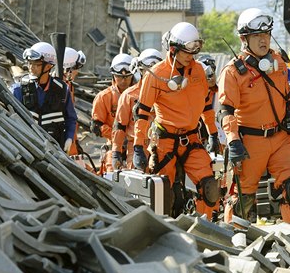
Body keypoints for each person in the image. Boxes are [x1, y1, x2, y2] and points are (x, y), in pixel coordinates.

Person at [217, 8, 290, 226]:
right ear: (244, 39)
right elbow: (225, 110)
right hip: (250, 141)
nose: (263, 40)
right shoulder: (232, 72)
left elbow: (286, 96)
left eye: (266, 34)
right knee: (243, 197)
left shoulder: (278, 61)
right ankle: (234, 238)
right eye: (257, 36)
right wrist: (233, 141)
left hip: (280, 137)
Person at [132, 22, 219, 219]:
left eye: (195, 51)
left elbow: (206, 105)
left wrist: (212, 132)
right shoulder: (156, 75)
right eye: (187, 52)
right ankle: (164, 232)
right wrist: (138, 147)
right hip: (165, 141)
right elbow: (143, 113)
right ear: (173, 50)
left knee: (210, 187)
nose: (192, 56)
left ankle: (203, 229)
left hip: (191, 139)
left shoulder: (198, 72)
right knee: (163, 195)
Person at [12, 42, 77, 152]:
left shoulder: (62, 90)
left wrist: (69, 138)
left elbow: (71, 118)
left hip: (55, 151)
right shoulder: (18, 90)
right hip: (27, 150)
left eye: (36, 64)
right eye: (29, 63)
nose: (31, 68)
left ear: (48, 66)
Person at [111, 49, 163, 169]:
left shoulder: (168, 94)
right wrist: (116, 152)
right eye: (148, 70)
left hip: (163, 147)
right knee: (138, 184)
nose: (152, 74)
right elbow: (120, 125)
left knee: (165, 184)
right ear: (140, 70)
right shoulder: (129, 95)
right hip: (137, 148)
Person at [91, 53, 135, 172]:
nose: (123, 80)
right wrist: (117, 137)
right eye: (119, 76)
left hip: (136, 147)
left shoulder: (141, 95)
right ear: (113, 75)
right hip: (114, 148)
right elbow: (96, 126)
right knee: (112, 179)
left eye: (127, 77)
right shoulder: (104, 97)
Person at [63, 47, 86, 155]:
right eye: (76, 68)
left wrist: (75, 141)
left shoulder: (69, 85)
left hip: (70, 135)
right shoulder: (60, 86)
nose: (77, 72)